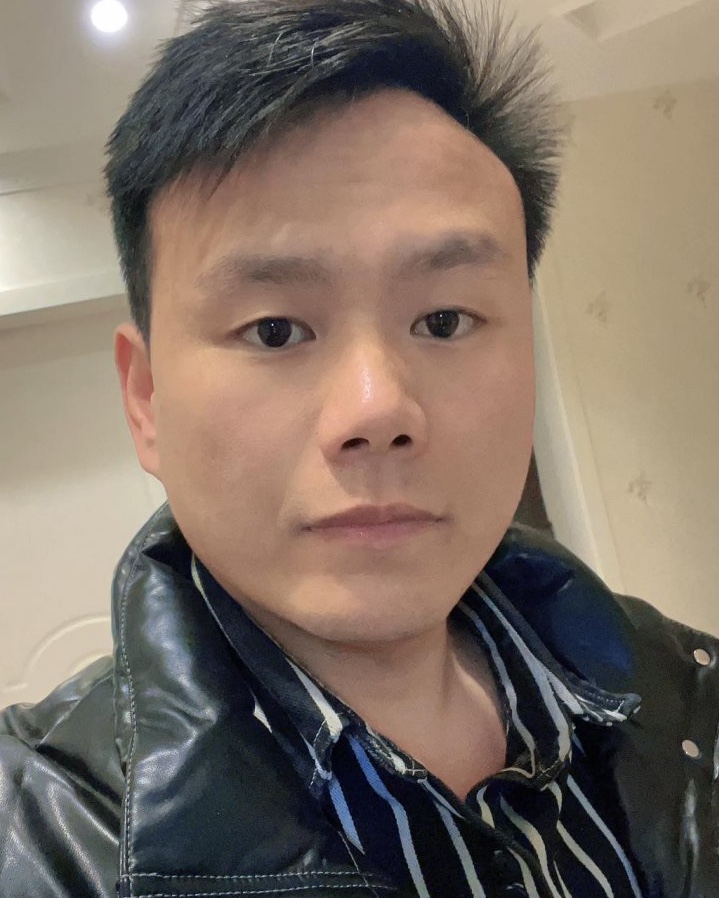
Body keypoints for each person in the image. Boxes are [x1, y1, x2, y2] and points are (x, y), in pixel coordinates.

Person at [1, 0, 718, 895]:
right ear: (146, 399)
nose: (377, 410)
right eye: (274, 330)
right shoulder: (36, 835)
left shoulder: (691, 700)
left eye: (444, 320)